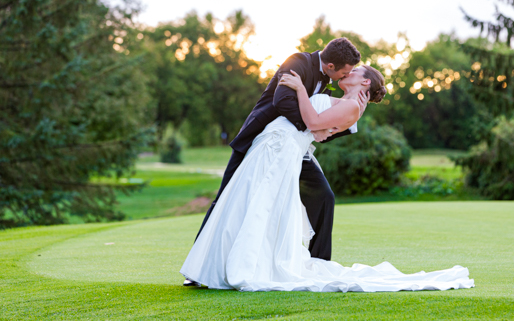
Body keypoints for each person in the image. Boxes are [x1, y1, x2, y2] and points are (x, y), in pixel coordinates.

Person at [180, 65, 474, 292]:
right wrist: (319, 117)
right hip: (279, 145)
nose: (347, 74)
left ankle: (241, 265)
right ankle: (227, 263)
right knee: (252, 201)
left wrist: (299, 89)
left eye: (354, 72)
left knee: (260, 203)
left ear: (365, 81)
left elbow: (313, 122)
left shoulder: (352, 106)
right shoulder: (345, 102)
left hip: (282, 149)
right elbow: (320, 132)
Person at [183, 38, 366, 287]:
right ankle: (199, 268)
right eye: (344, 71)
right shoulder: (298, 62)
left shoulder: (328, 83)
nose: (345, 76)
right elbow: (283, 101)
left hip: (295, 150)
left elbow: (325, 122)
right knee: (227, 197)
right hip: (265, 142)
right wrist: (311, 128)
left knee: (324, 196)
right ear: (331, 64)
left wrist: (342, 121)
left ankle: (318, 264)